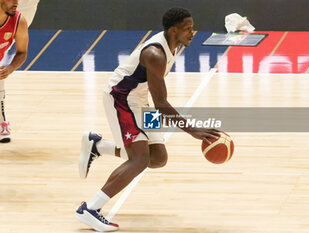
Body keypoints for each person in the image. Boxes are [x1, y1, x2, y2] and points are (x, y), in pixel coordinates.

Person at [75, 7, 220, 232]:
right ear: (173, 30)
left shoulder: (171, 46)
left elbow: (156, 100)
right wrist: (193, 130)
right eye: (188, 29)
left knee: (158, 157)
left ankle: (98, 146)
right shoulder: (155, 54)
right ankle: (91, 209)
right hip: (121, 99)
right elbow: (161, 103)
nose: (192, 33)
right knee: (140, 159)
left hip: (140, 101)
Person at [0, 0, 38, 143]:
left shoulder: (19, 18)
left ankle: (1, 122)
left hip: (26, 6)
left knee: (1, 72)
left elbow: (22, 52)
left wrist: (9, 68)